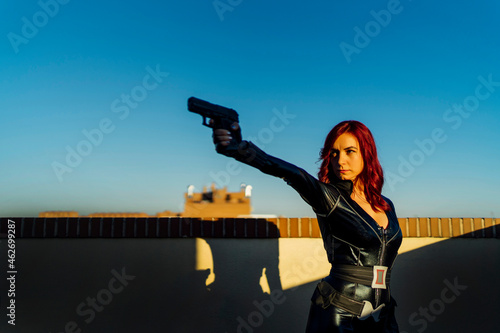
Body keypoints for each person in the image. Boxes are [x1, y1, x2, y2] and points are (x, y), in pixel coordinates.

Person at [212, 119, 403, 332]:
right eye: (334, 153)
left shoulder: (386, 205)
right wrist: (239, 148)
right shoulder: (330, 199)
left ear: (367, 153)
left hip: (382, 313)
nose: (340, 160)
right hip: (340, 313)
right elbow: (295, 174)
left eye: (350, 151)